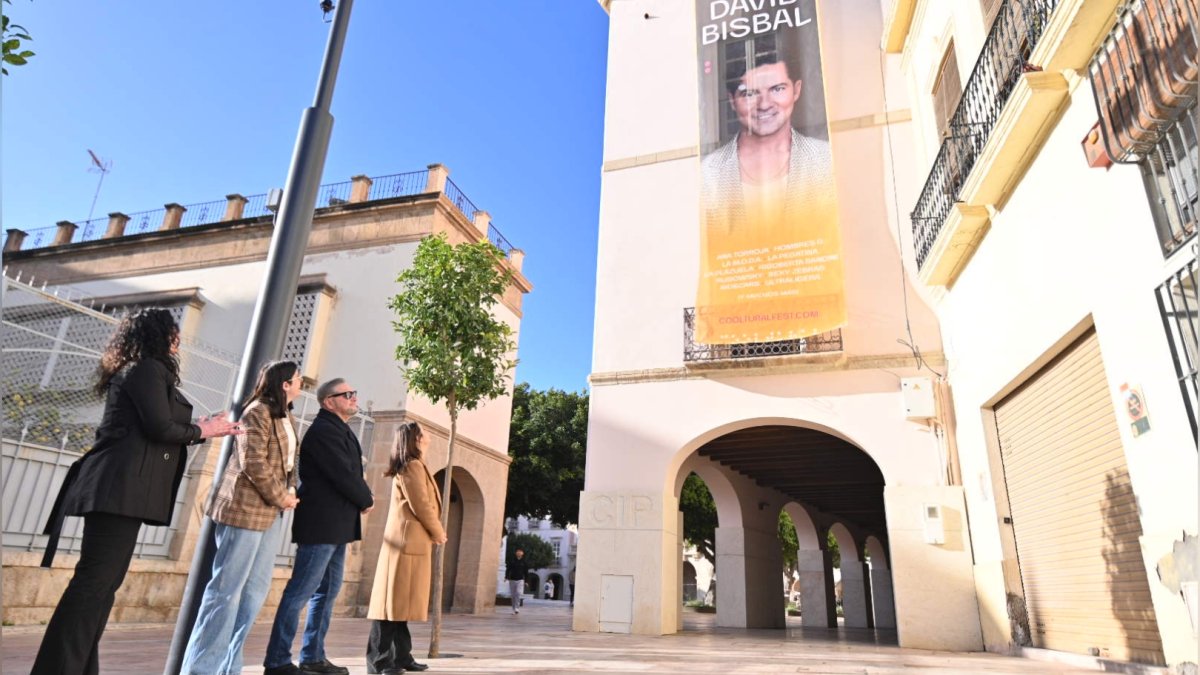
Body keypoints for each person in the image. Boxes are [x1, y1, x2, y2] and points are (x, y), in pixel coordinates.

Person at [31, 308, 241, 675]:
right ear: (158, 335)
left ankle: (78, 667)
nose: (178, 340)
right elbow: (159, 427)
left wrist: (199, 426)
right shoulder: (146, 369)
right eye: (173, 333)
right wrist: (203, 432)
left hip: (121, 489)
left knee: (102, 587)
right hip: (117, 488)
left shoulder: (146, 370)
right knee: (93, 585)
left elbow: (156, 423)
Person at [181, 360, 304, 675]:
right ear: (284, 384)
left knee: (253, 594)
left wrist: (289, 492)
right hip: (245, 509)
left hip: (272, 513)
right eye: (298, 378)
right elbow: (253, 462)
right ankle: (200, 669)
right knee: (226, 592)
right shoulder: (257, 412)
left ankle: (228, 666)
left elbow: (289, 463)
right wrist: (282, 496)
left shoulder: (287, 415)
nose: (302, 383)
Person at [264, 379, 374, 675]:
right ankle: (277, 661)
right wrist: (366, 499)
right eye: (347, 394)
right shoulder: (324, 431)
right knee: (300, 591)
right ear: (328, 401)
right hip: (321, 524)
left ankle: (313, 656)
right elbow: (343, 474)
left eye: (354, 393)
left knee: (326, 592)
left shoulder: (340, 429)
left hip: (337, 525)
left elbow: (352, 472)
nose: (354, 397)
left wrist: (363, 497)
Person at [700, 46, 836, 239]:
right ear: (732, 100)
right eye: (749, 94)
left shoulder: (824, 160)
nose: (764, 104)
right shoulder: (710, 173)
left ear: (796, 90)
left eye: (777, 89)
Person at [366, 421, 447, 674]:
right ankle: (379, 662)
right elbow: (421, 504)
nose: (429, 436)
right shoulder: (411, 466)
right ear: (416, 439)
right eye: (425, 433)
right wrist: (438, 531)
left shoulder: (416, 464)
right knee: (390, 604)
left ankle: (402, 656)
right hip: (405, 542)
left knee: (402, 603)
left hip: (413, 541)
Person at [505, 548, 530, 614]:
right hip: (512, 579)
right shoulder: (512, 561)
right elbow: (508, 569)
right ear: (516, 553)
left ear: (522, 553)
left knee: (518, 593)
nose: (519, 552)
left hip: (520, 580)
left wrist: (526, 581)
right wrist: (506, 577)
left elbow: (526, 572)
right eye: (517, 551)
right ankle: (513, 609)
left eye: (520, 552)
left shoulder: (524, 562)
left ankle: (517, 608)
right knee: (513, 595)